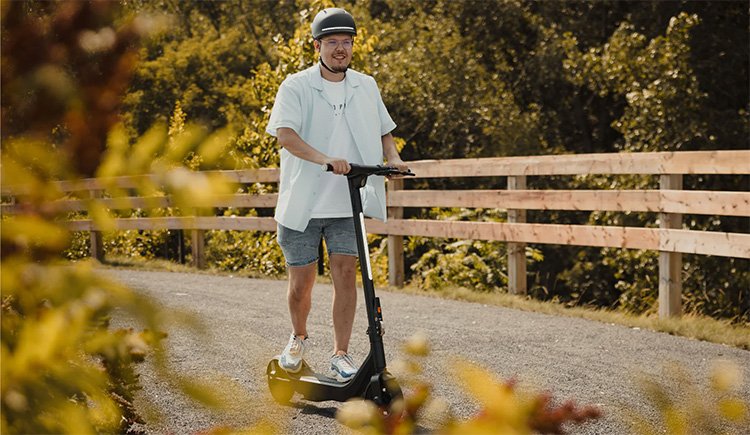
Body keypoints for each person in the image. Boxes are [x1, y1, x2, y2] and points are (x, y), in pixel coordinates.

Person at [265, 7, 408, 383]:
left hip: (348, 202)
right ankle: (297, 338)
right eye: (332, 43)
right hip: (304, 204)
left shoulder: (367, 85)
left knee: (347, 275)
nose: (340, 49)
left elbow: (384, 131)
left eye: (346, 42)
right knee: (302, 283)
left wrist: (393, 160)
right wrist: (325, 159)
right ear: (317, 46)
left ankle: (340, 354)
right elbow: (286, 136)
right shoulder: (295, 86)